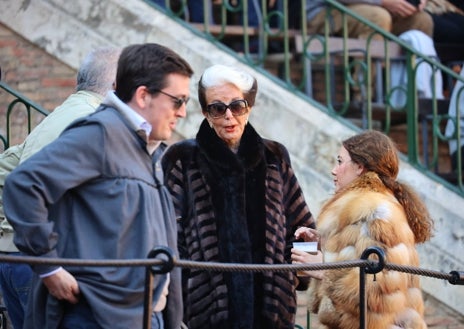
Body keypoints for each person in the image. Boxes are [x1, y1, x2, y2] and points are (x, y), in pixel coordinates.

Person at [3, 43, 194, 329]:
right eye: (177, 101)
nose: (182, 113)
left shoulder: (144, 145)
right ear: (143, 95)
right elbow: (22, 185)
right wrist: (50, 267)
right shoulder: (101, 133)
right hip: (97, 315)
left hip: (140, 314)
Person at [161, 64, 316, 328]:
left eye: (237, 106)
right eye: (218, 108)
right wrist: (190, 288)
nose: (229, 116)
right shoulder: (182, 159)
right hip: (207, 314)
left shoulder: (274, 157)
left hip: (271, 313)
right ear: (205, 113)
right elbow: (167, 233)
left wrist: (295, 275)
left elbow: (301, 227)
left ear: (249, 107)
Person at [0, 46, 120, 329]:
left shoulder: (63, 115)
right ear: (116, 84)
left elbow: (8, 167)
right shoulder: (90, 120)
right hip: (39, 262)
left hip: (16, 256)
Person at [292, 130, 434, 329]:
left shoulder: (374, 212)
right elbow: (361, 265)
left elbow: (375, 296)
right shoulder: (370, 209)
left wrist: (323, 270)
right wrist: (326, 243)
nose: (334, 170)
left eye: (340, 161)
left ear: (359, 167)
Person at [305, 0, 433, 40]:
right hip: (324, 11)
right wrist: (383, 1)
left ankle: (411, 92)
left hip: (372, 7)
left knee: (421, 20)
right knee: (378, 17)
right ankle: (365, 94)